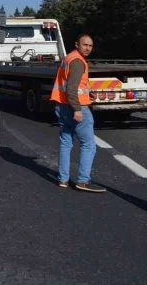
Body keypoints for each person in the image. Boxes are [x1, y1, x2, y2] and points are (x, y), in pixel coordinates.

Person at [50, 33, 106, 193]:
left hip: (61, 105)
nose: (88, 48)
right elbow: (71, 89)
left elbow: (71, 85)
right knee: (88, 144)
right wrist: (77, 109)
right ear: (77, 44)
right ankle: (83, 181)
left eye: (90, 45)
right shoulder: (78, 62)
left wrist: (88, 93)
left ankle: (63, 179)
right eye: (85, 45)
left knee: (66, 142)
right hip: (76, 107)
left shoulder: (69, 58)